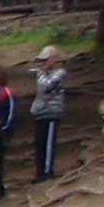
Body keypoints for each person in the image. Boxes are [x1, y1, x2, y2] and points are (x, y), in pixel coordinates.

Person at [29, 47, 67, 182]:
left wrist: (42, 72)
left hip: (52, 112)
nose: (44, 63)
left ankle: (47, 171)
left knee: (49, 143)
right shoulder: (42, 73)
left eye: (46, 60)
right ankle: (39, 171)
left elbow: (46, 86)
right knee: (39, 143)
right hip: (40, 113)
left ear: (54, 59)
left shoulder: (60, 73)